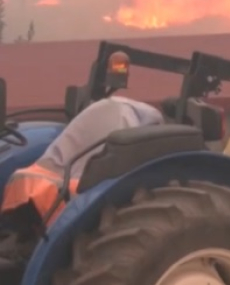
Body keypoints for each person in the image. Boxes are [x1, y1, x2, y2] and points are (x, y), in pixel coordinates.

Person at [1, 96, 166, 226]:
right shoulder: (104, 114)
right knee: (23, 177)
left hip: (83, 180)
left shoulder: (124, 126)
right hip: (63, 171)